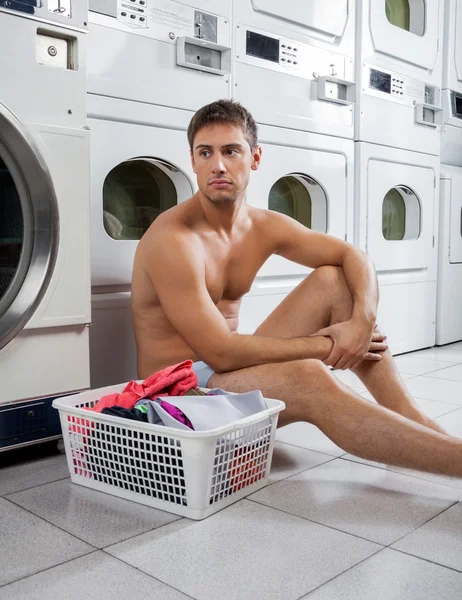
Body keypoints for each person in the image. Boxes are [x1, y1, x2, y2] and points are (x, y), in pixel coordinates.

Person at [132, 99, 462, 478]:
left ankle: (417, 427)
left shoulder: (261, 225)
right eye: (205, 153)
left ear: (254, 158)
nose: (218, 165)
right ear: (192, 161)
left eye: (231, 151)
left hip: (228, 378)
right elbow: (221, 353)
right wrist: (330, 346)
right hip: (179, 394)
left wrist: (360, 322)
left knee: (334, 281)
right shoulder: (172, 240)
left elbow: (354, 255)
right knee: (309, 376)